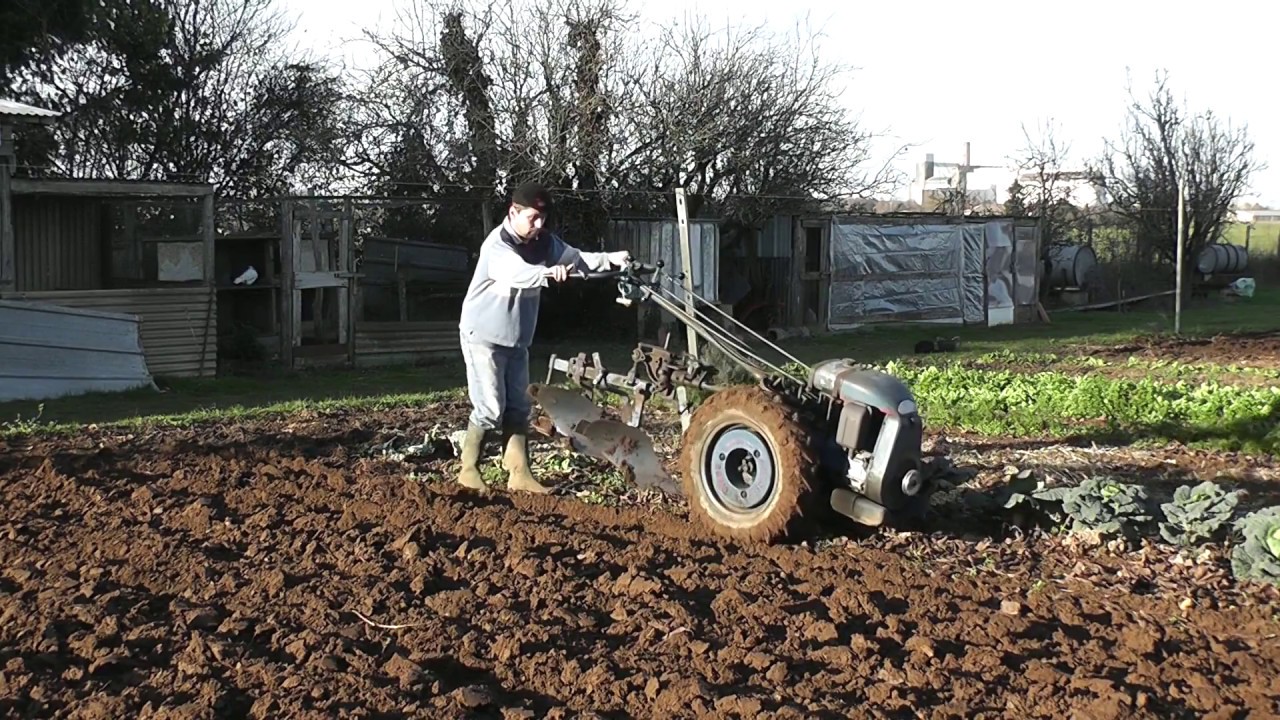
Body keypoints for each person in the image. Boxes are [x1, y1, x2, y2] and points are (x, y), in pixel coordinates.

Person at [455, 181, 630, 494]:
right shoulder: (498, 245)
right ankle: (468, 471)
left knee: (520, 407)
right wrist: (549, 273)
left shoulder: (544, 242)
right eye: (532, 218)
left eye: (542, 219)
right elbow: (516, 273)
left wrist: (613, 259)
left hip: (517, 339)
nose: (539, 225)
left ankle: (519, 473)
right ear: (513, 212)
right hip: (483, 336)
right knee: (491, 408)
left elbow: (578, 259)